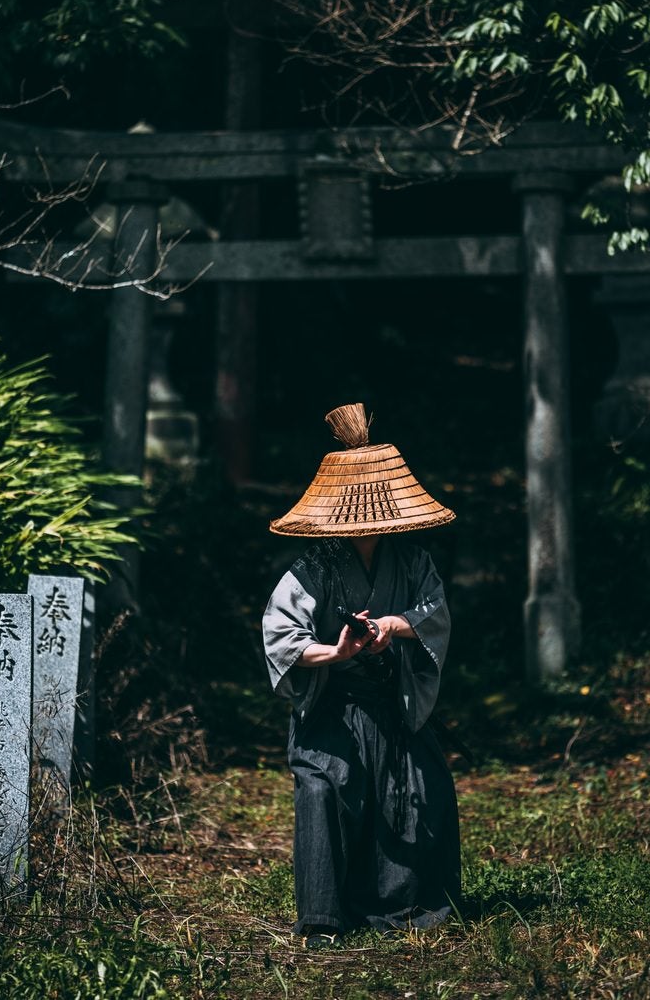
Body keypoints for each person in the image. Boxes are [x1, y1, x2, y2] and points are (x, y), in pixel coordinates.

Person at [262, 402, 461, 947]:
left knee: (428, 785)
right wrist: (339, 650)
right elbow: (283, 639)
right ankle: (324, 916)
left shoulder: (413, 561)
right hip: (333, 710)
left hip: (392, 704)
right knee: (323, 786)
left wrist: (394, 626)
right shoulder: (312, 570)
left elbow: (432, 616)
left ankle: (412, 904)